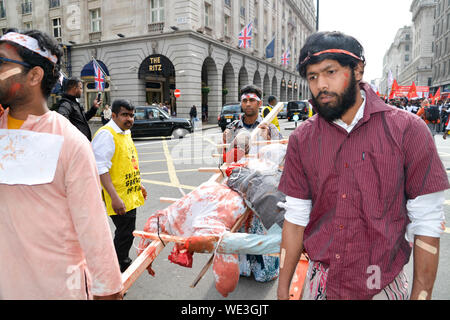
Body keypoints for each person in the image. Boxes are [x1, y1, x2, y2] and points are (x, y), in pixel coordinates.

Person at [277, 31, 449, 300]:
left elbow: (427, 222)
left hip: (383, 287)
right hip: (321, 285)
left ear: (357, 70)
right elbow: (296, 218)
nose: (320, 84)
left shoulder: (408, 130)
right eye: (312, 76)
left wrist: (421, 296)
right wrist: (283, 288)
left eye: (330, 72)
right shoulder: (302, 138)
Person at [0, 30, 123, 299]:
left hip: (58, 289)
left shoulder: (70, 143)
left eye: (3, 63)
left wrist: (108, 290)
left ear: (34, 76)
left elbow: (93, 227)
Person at [91, 99, 148, 273]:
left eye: (132, 115)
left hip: (129, 192)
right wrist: (114, 198)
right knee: (124, 233)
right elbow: (100, 168)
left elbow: (127, 162)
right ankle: (116, 270)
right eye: (124, 115)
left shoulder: (125, 132)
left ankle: (119, 263)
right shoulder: (107, 134)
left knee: (126, 232)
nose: (129, 119)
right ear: (113, 115)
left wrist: (139, 185)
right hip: (117, 195)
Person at [223, 85, 283, 158]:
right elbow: (225, 158)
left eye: (252, 100)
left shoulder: (270, 128)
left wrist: (269, 141)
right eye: (245, 101)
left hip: (261, 169)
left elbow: (282, 155)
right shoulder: (233, 128)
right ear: (241, 103)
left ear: (259, 103)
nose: (248, 104)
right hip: (238, 169)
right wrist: (225, 141)